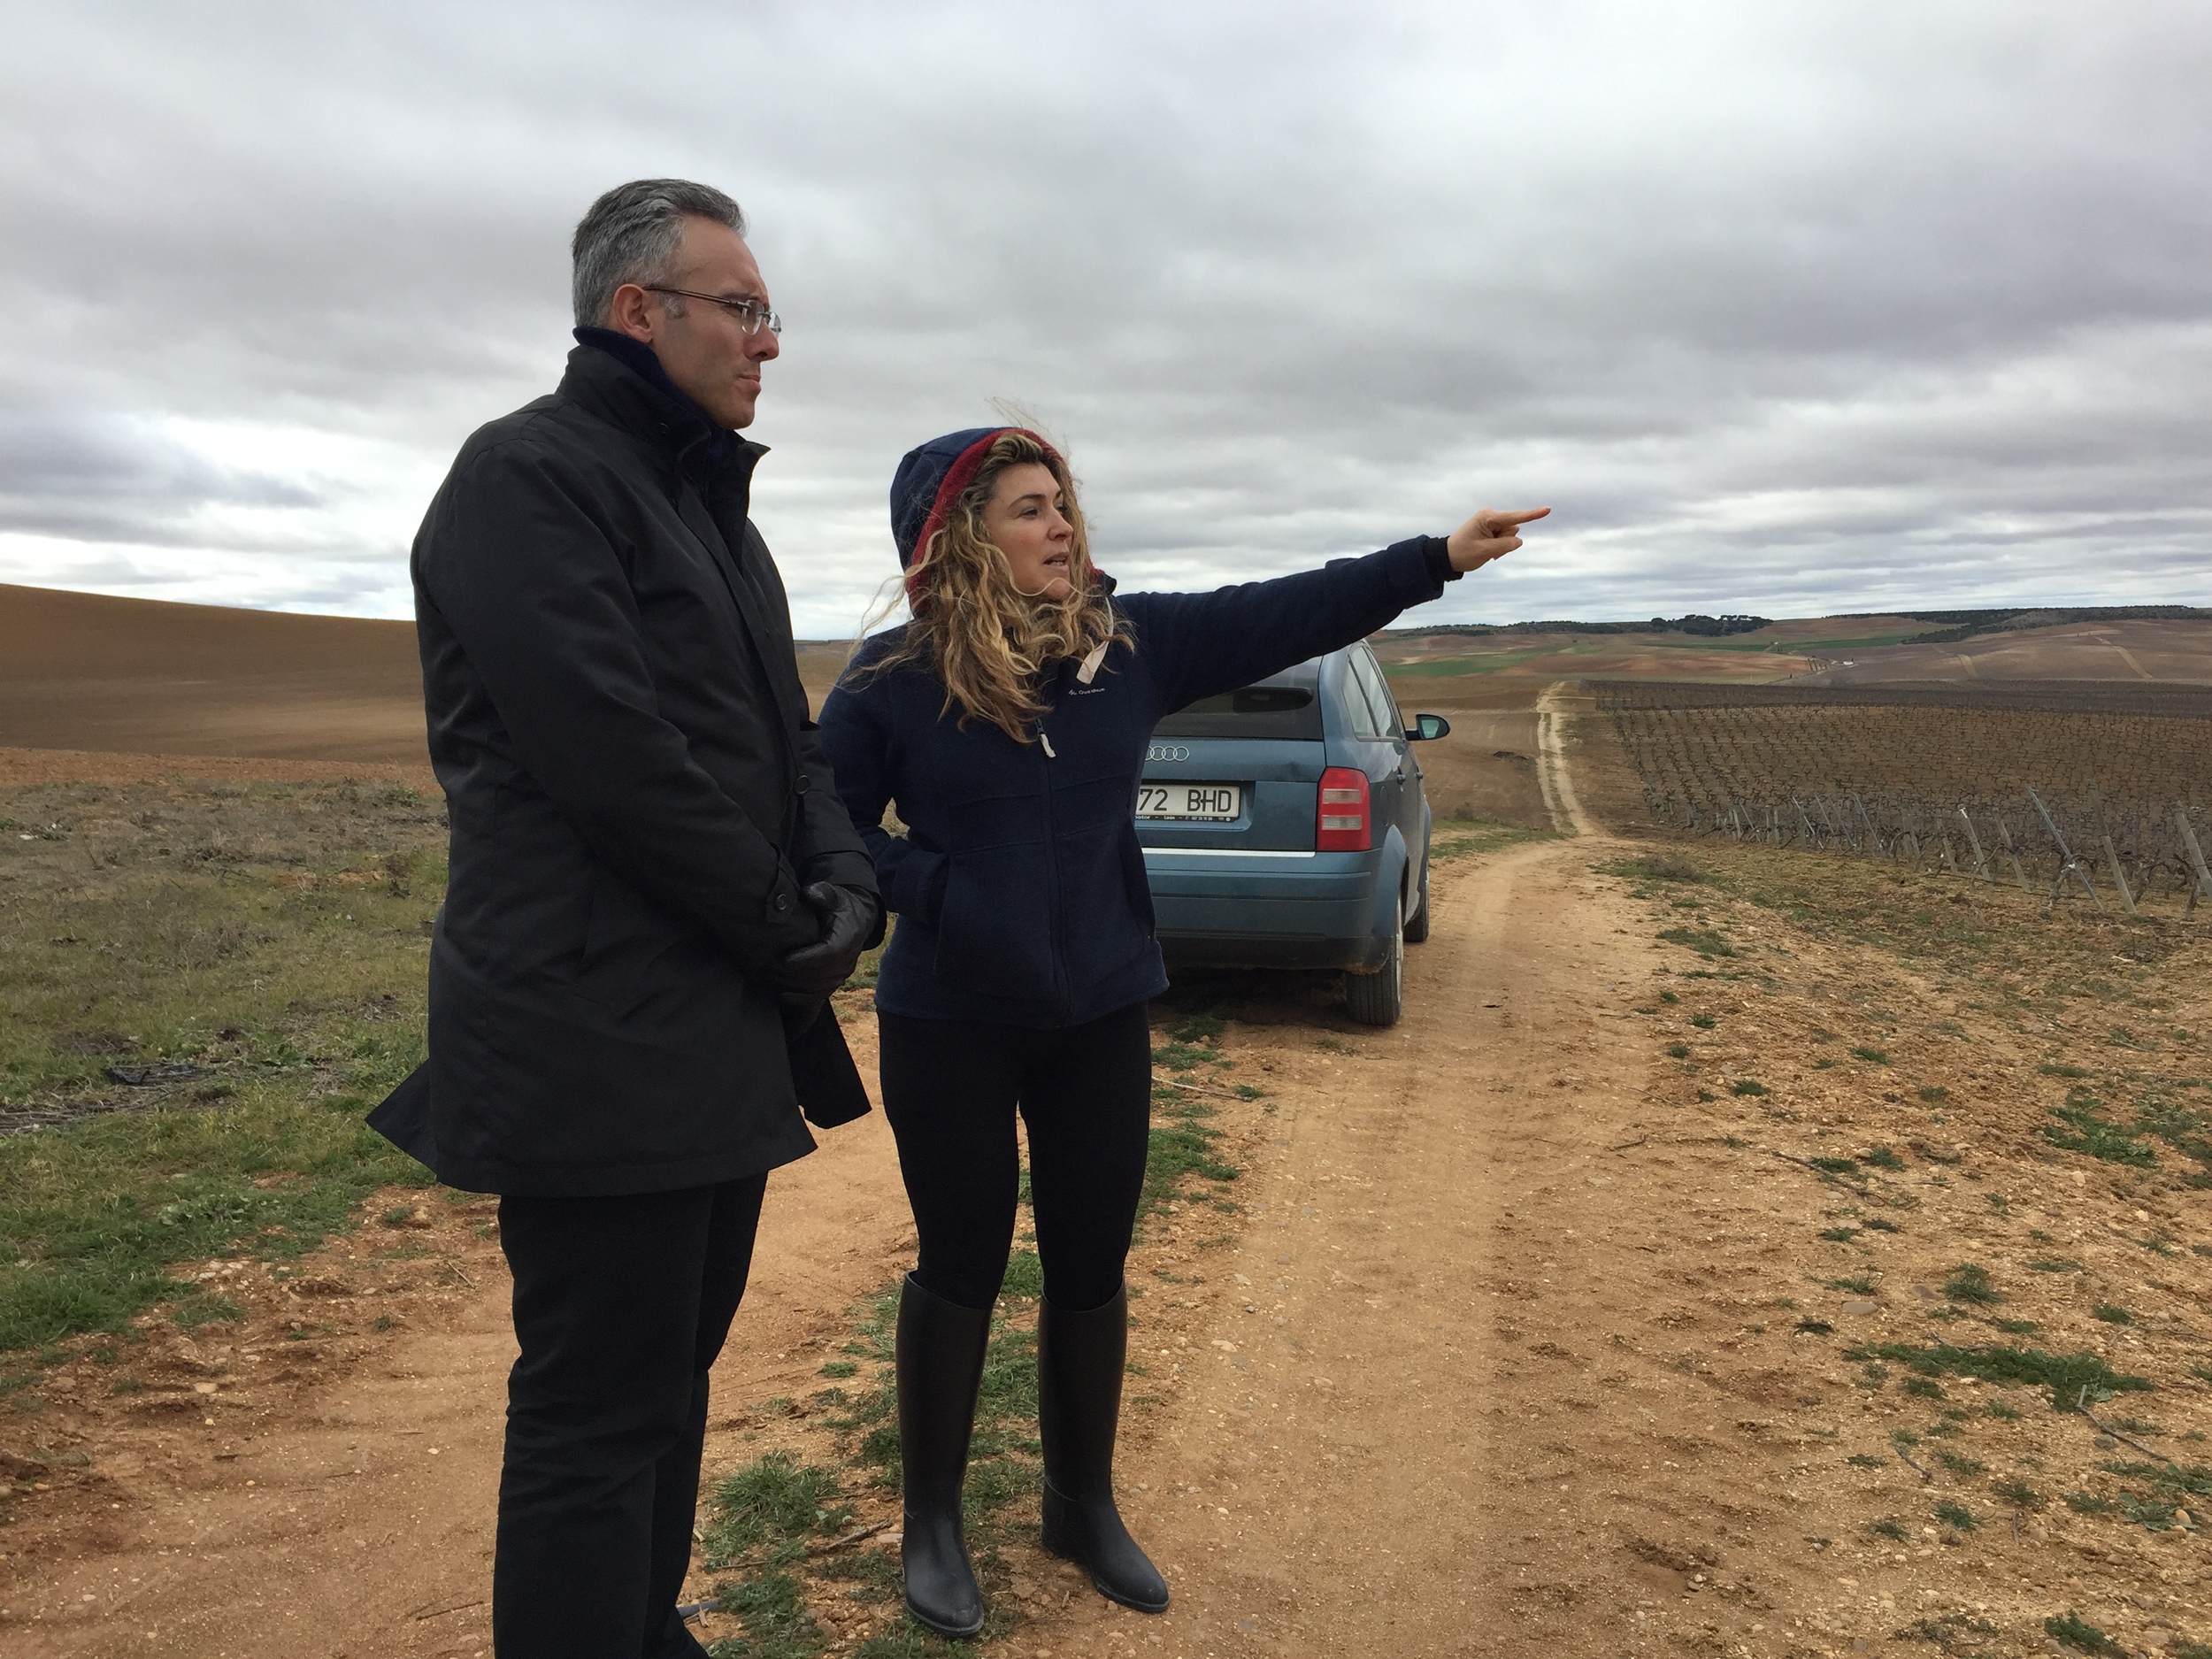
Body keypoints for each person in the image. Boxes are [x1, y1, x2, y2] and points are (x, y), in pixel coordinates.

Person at [817, 425, 1544, 1637]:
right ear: (958, 540)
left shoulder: (1127, 648)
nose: (1064, 527)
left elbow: (1288, 610)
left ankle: (1078, 1504)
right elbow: (831, 832)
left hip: (1099, 1008)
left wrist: (1440, 558)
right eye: (1032, 510)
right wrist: (931, 890)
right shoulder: (893, 682)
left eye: (1064, 504)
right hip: (951, 1018)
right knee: (964, 1264)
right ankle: (933, 1523)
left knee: (1092, 1261)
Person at [367, 180, 882, 1659]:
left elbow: (787, 744)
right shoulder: (527, 477)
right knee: (596, 1416)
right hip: (591, 1025)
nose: (768, 343)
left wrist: (847, 884)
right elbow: (611, 756)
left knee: (671, 1383)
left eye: (770, 314)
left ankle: (648, 1634)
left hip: (712, 1021)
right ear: (637, 309)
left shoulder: (709, 507)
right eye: (745, 308)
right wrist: (786, 919)